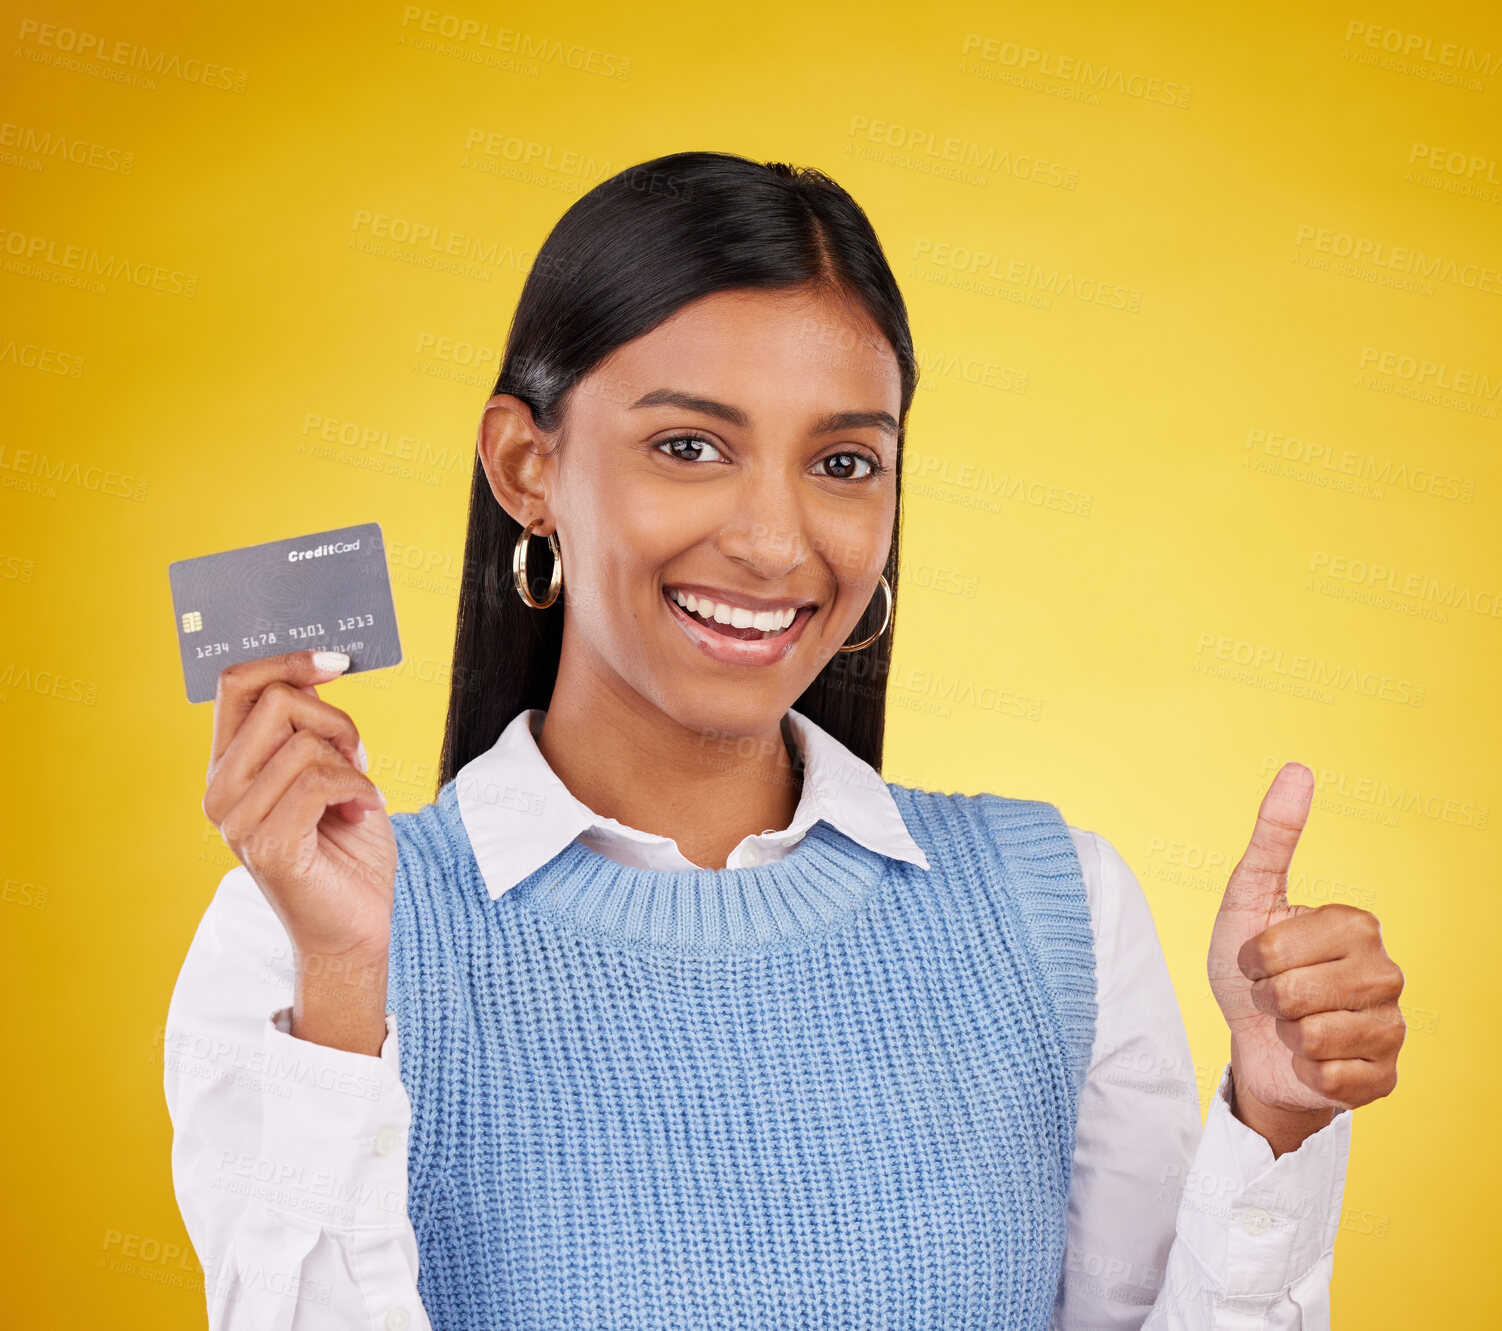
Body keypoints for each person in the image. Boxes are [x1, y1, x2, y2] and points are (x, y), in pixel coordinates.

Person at [163, 151, 1405, 1330]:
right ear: (526, 462)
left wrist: (1276, 1119)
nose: (773, 539)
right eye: (689, 445)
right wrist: (343, 987)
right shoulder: (304, 942)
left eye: (844, 460)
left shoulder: (1056, 910)